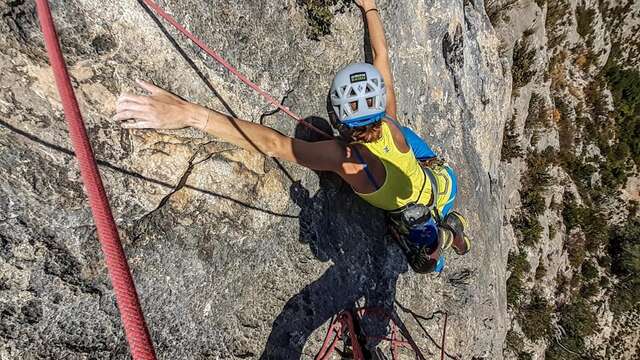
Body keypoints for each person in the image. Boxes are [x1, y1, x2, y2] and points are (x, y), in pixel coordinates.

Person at [113, 0, 470, 273]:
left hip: (416, 204)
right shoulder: (390, 120)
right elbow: (382, 56)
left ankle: (448, 235)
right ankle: (451, 227)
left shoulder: (346, 158)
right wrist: (370, 7)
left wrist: (189, 114)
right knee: (420, 184)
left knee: (427, 256)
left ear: (335, 115)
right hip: (439, 177)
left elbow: (273, 144)